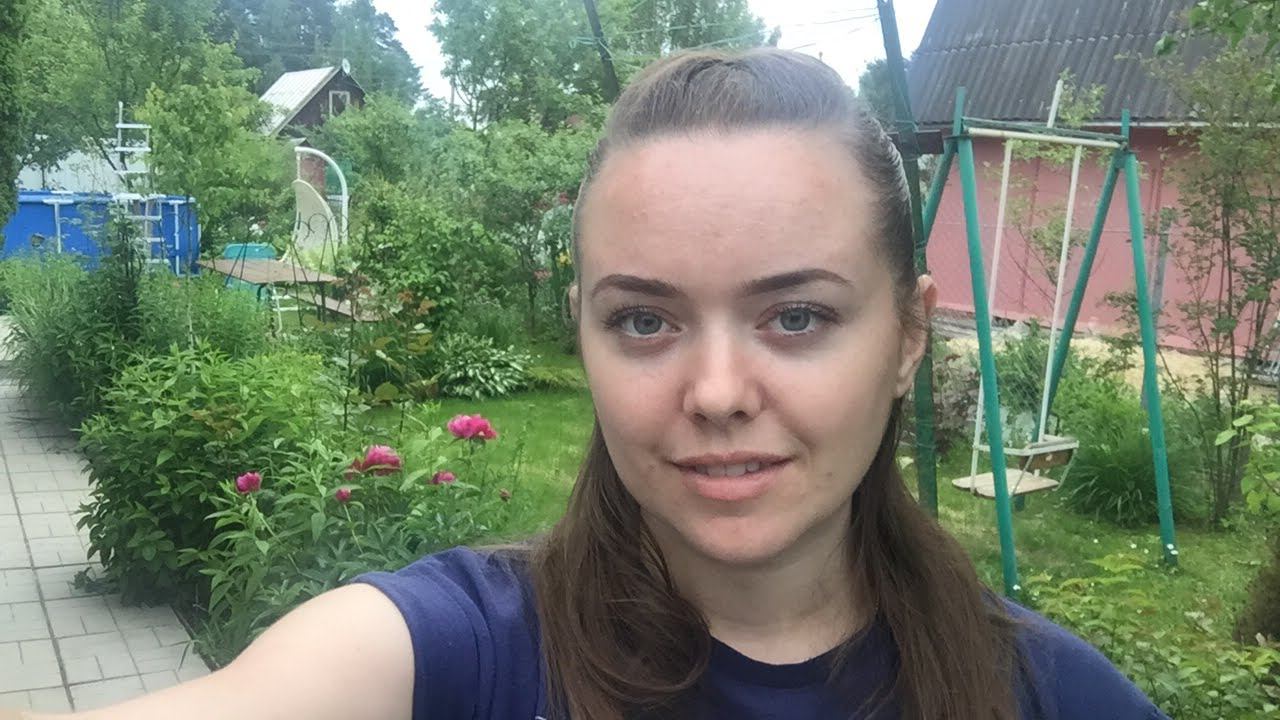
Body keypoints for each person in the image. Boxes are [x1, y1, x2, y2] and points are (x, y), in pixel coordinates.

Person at [4, 48, 1169, 720]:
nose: (716, 390)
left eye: (796, 316)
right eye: (644, 320)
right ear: (585, 334)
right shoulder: (464, 656)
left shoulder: (1052, 698)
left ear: (908, 335)